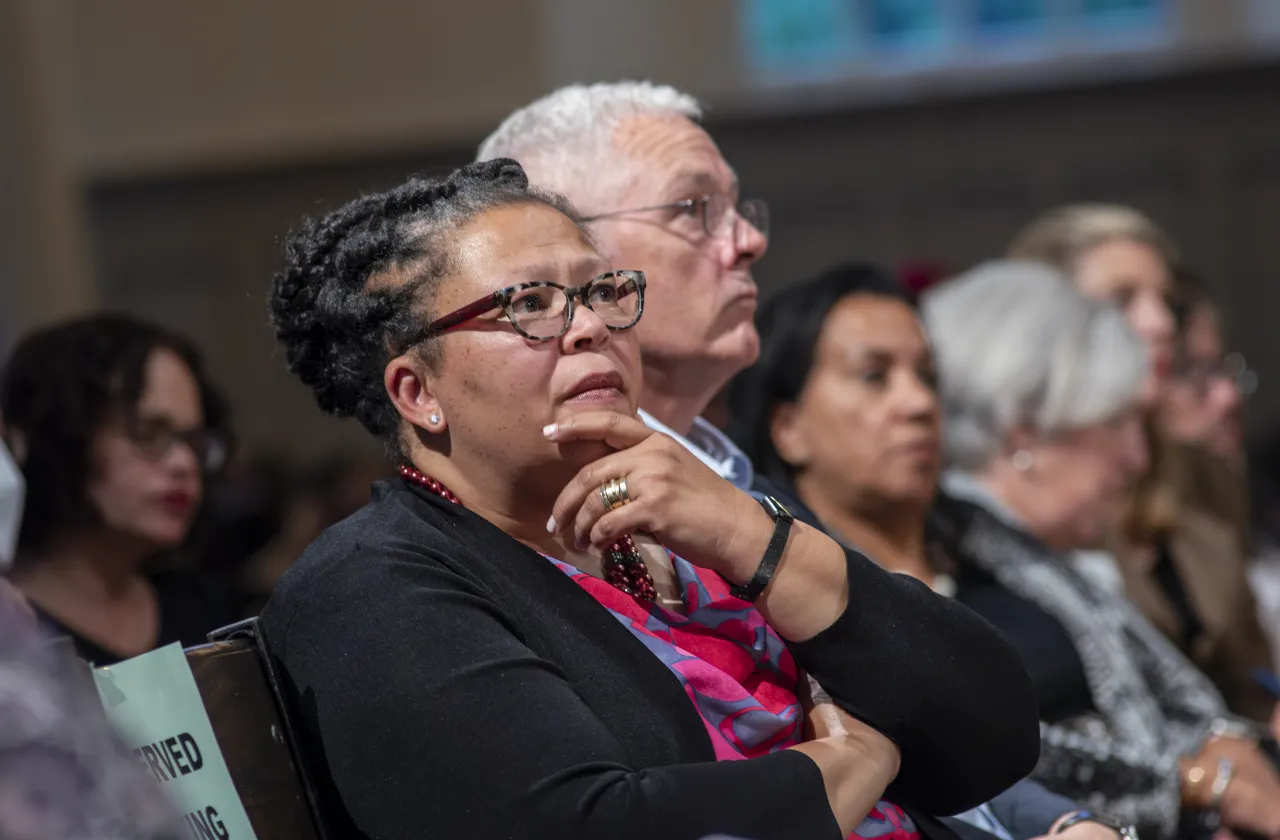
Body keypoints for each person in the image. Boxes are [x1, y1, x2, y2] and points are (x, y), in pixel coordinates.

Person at [262, 159, 1040, 840]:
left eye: (602, 292)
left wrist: (755, 538)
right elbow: (592, 827)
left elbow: (993, 732)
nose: (590, 327)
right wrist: (856, 756)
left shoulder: (688, 508)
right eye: (531, 303)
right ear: (417, 390)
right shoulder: (369, 587)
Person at [478, 81, 1083, 840]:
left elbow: (937, 706)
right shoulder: (524, 530)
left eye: (738, 210)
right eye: (695, 210)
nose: (748, 241)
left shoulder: (733, 479)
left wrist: (1060, 821)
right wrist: (861, 755)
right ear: (561, 251)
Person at [921, 260, 1280, 840]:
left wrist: (1229, 751)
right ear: (1026, 435)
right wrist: (1206, 786)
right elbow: (1004, 756)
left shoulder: (1040, 560)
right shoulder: (959, 566)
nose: (1137, 459)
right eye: (1118, 423)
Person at [1010, 206, 1274, 721]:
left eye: (1165, 302)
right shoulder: (1025, 482)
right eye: (1122, 300)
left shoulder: (1201, 463)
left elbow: (1252, 672)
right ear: (1044, 318)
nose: (1158, 325)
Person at [0, 314, 240, 665]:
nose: (184, 462)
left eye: (194, 441)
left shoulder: (210, 611)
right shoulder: (14, 628)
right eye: (148, 434)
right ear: (65, 438)